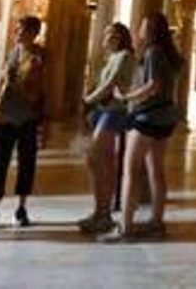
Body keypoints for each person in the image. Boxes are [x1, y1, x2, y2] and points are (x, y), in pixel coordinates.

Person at [114, 12, 183, 239]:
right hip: (165, 118)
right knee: (156, 170)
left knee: (130, 170)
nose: (138, 29)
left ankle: (125, 226)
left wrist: (127, 97)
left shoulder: (153, 52)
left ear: (151, 30)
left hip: (148, 117)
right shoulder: (170, 55)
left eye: (142, 26)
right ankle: (156, 220)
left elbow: (153, 85)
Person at [0, 15, 46, 230]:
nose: (17, 33)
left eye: (22, 30)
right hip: (2, 116)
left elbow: (39, 94)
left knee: (26, 164)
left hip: (27, 118)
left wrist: (18, 83)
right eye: (17, 29)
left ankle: (21, 207)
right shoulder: (12, 53)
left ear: (34, 33)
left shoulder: (40, 57)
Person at [78, 22, 134, 235]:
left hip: (114, 111)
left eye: (110, 34)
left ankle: (104, 214)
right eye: (105, 33)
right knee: (100, 162)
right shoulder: (111, 58)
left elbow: (111, 84)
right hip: (104, 110)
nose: (106, 38)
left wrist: (88, 100)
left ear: (120, 37)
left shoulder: (125, 57)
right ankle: (101, 211)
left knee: (96, 159)